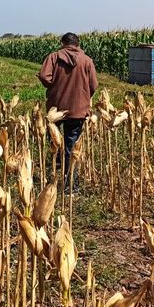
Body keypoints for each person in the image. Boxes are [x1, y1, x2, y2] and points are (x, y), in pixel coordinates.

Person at [37, 32, 98, 189]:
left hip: (56, 109)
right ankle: (71, 183)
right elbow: (94, 85)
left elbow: (44, 75)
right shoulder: (87, 60)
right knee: (72, 145)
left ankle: (54, 178)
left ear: (63, 43)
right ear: (78, 44)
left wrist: (52, 86)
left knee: (55, 144)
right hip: (78, 110)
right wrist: (84, 97)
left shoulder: (54, 57)